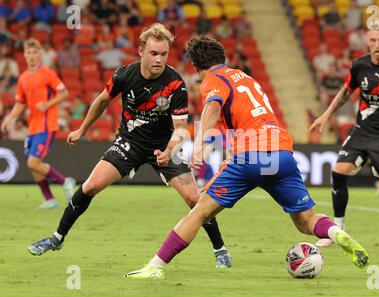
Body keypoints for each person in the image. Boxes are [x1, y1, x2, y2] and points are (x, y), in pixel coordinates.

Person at [124, 35, 369, 280]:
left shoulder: (213, 79)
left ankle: (155, 267)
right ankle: (336, 233)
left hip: (250, 155)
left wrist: (198, 143)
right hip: (281, 151)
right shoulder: (246, 79)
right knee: (306, 221)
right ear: (224, 59)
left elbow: (212, 106)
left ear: (196, 67)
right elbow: (231, 121)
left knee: (199, 213)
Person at [26, 24, 232, 269]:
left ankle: (220, 249)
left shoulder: (175, 83)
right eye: (154, 53)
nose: (159, 59)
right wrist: (82, 129)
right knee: (90, 186)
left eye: (164, 54)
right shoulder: (125, 74)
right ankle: (56, 238)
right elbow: (102, 100)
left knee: (193, 198)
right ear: (141, 51)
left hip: (163, 147)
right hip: (129, 143)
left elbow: (180, 128)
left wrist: (169, 150)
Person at [310, 21, 379, 249]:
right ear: (367, 42)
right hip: (362, 130)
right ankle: (337, 229)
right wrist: (325, 114)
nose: (377, 44)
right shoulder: (359, 65)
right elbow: (345, 92)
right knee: (338, 172)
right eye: (373, 40)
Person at [1, 38, 75, 209]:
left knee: (33, 163)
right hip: (33, 126)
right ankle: (49, 199)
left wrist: (47, 104)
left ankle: (65, 181)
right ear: (24, 55)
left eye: (35, 52)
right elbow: (21, 103)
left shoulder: (47, 73)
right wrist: (10, 118)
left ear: (40, 54)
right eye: (29, 53)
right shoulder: (22, 78)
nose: (32, 56)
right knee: (33, 165)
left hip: (47, 124)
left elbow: (64, 93)